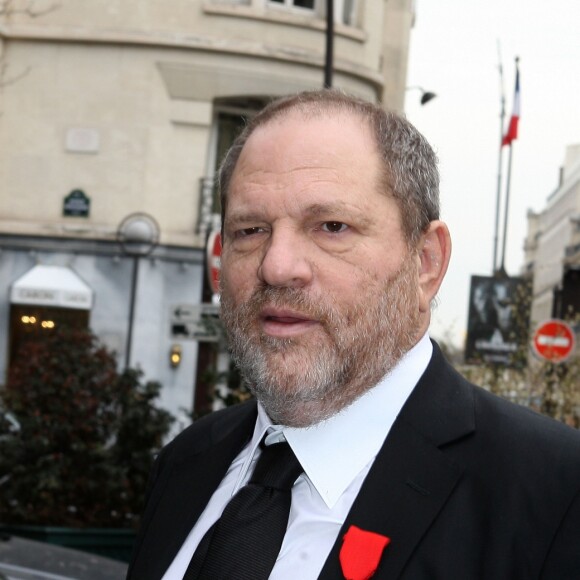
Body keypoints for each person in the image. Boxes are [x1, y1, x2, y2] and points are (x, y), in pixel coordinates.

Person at [127, 90, 580, 579]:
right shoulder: (188, 461)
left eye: (331, 226)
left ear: (426, 262)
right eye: (251, 230)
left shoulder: (554, 494)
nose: (277, 266)